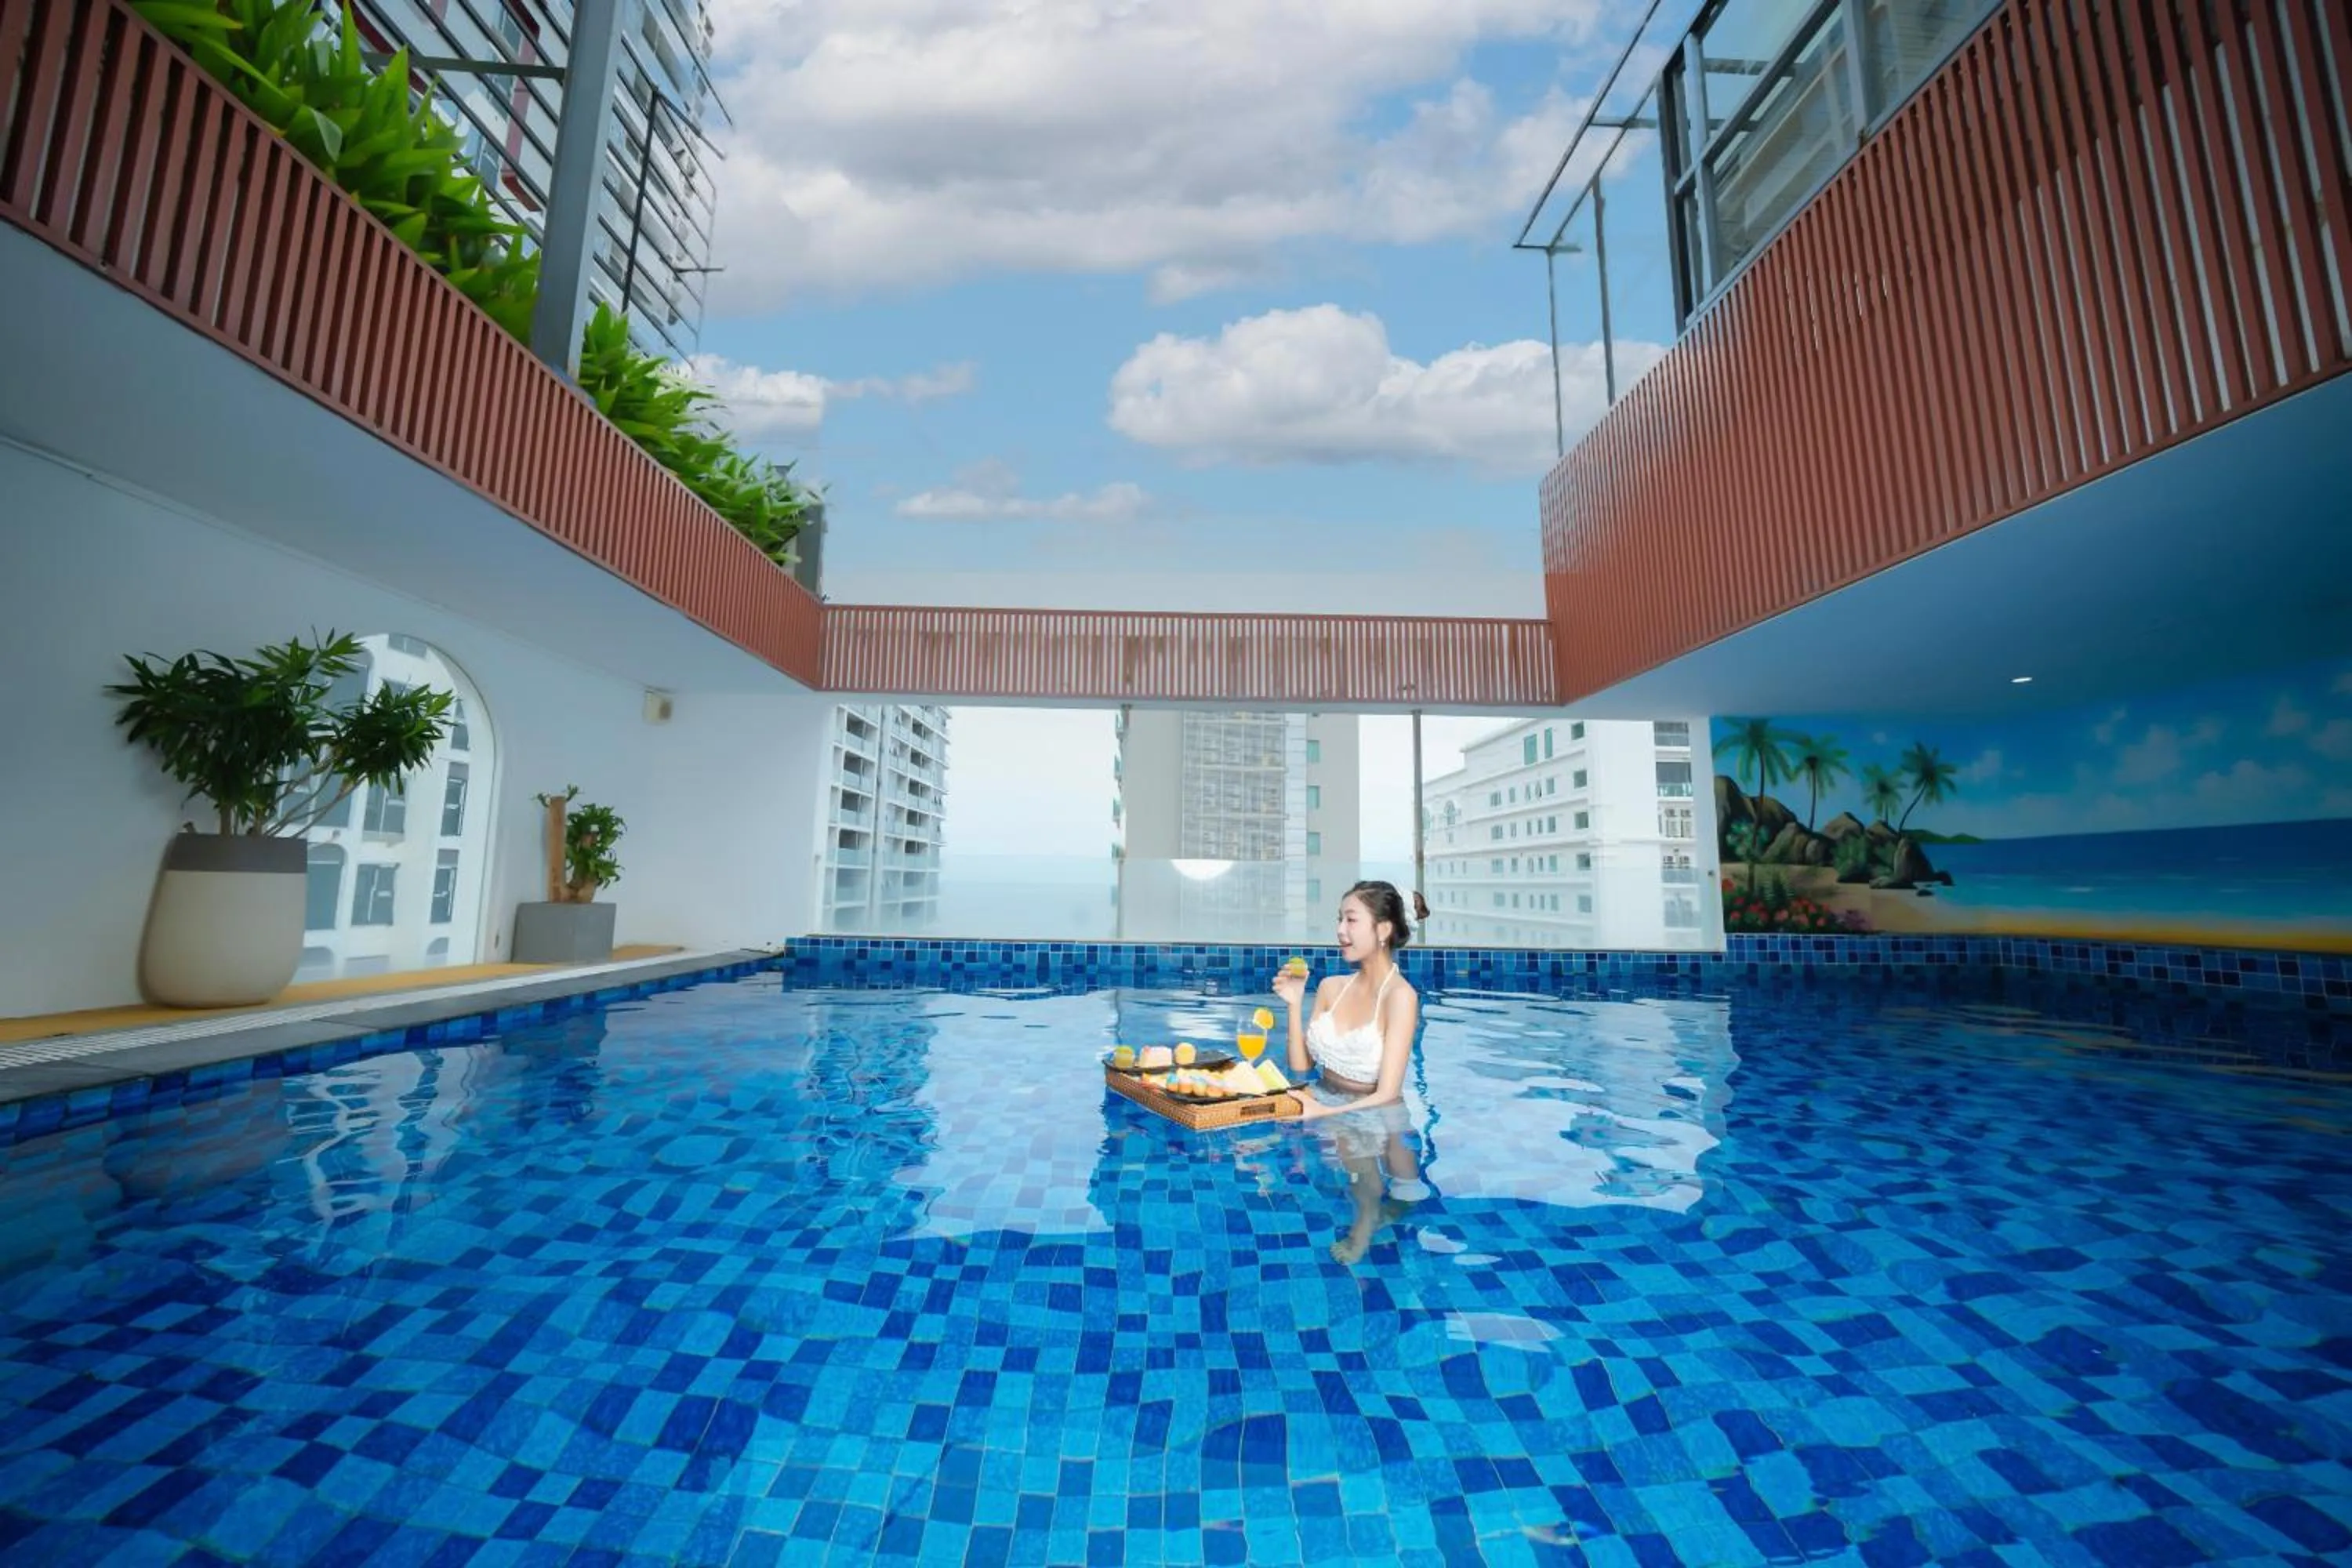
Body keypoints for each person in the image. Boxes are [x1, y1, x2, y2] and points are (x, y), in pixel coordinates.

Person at [1272, 879, 1429, 1264]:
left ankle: (1368, 1221)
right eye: (1339, 919)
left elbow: (1387, 1093)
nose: (1340, 930)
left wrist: (1327, 1113)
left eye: (1351, 920)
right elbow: (1301, 1067)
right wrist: (1293, 1004)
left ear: (1383, 929)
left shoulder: (1400, 997)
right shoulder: (1331, 986)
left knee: (1397, 1191)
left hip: (1375, 1109)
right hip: (1325, 1094)